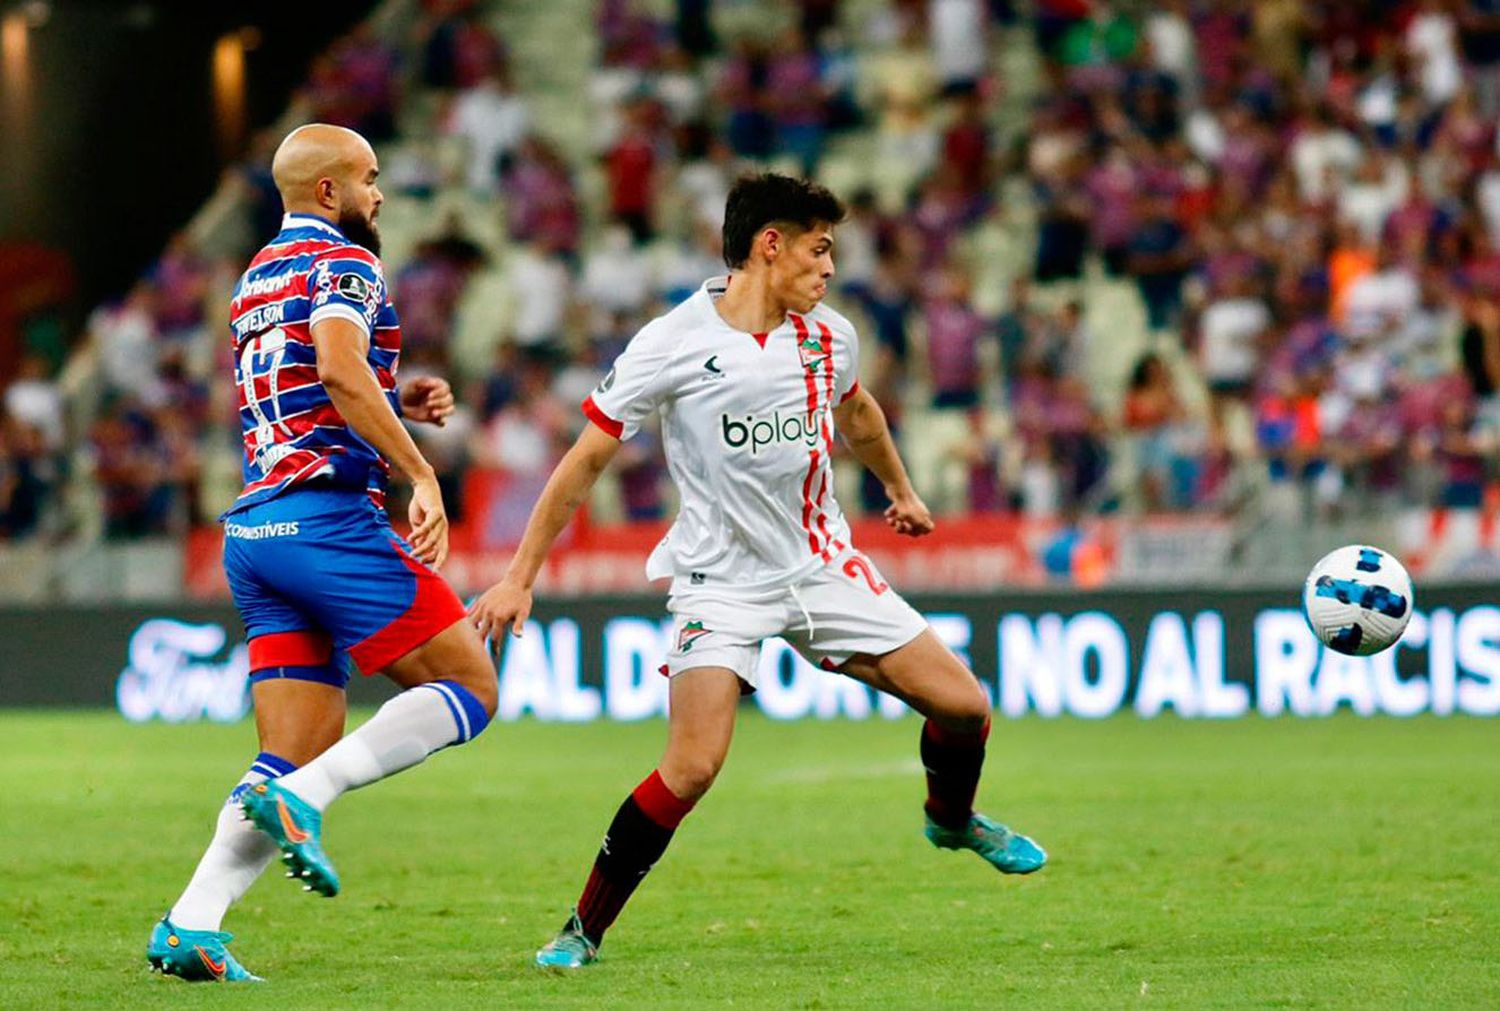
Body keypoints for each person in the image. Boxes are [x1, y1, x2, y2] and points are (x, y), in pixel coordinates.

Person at [469, 173, 1045, 970]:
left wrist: (902, 490)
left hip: (820, 562)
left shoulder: (828, 335)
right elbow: (584, 460)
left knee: (964, 706)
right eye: (820, 248)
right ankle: (581, 928)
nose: (830, 268)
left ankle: (951, 818)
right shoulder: (672, 341)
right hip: (720, 579)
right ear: (769, 246)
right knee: (693, 765)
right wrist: (518, 575)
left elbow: (860, 412)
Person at [146, 124, 497, 983]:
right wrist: (420, 470)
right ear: (331, 192)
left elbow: (305, 380)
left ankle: (191, 923)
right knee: (472, 686)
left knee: (292, 748)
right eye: (371, 179)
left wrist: (395, 391)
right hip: (326, 522)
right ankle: (304, 800)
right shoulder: (347, 262)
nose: (380, 195)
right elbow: (338, 371)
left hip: (257, 532)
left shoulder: (253, 279)